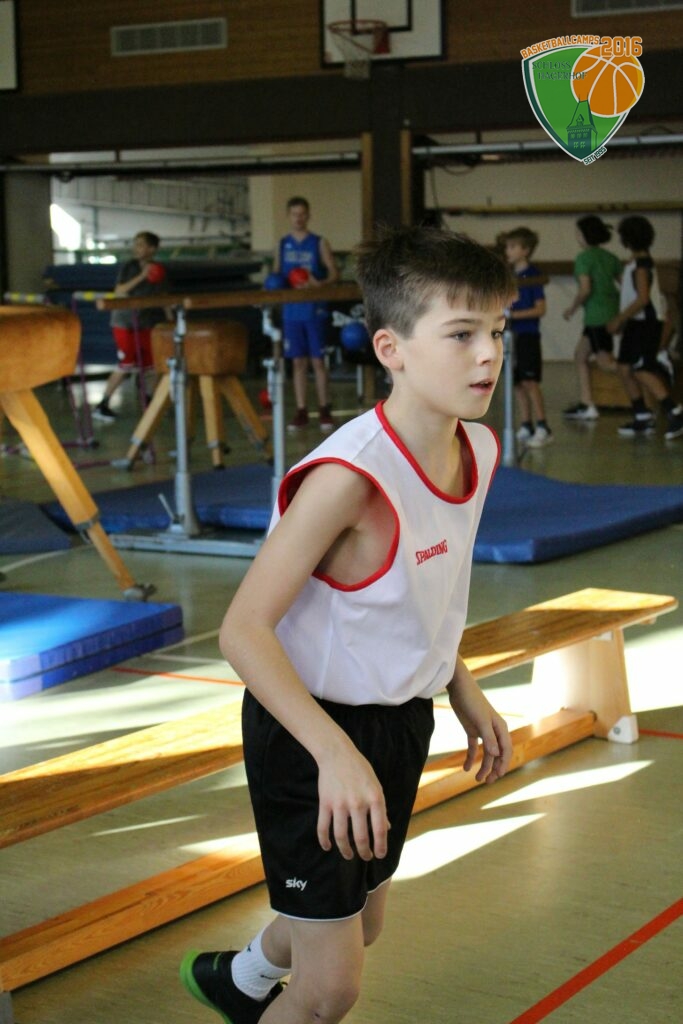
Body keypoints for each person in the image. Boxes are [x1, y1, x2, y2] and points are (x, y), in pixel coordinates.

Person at [179, 226, 515, 1024]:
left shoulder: (477, 448)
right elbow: (242, 630)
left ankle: (240, 979)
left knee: (359, 924)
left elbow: (427, 593)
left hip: (399, 718)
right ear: (390, 348)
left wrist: (460, 685)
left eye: (498, 331)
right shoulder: (348, 477)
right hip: (309, 730)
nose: (488, 355)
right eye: (461, 334)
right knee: (330, 991)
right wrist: (331, 753)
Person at [607, 215, 683, 440]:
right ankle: (642, 415)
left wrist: (619, 319)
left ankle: (675, 412)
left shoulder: (642, 266)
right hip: (636, 323)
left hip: (646, 324)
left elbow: (642, 299)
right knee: (624, 368)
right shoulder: (635, 263)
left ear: (627, 239)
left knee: (641, 370)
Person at [274, 196, 339, 432]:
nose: (298, 218)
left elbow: (334, 273)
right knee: (297, 362)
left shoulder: (319, 242)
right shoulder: (283, 244)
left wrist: (319, 283)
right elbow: (276, 276)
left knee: (318, 361)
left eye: (302, 214)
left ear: (308, 215)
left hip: (314, 309)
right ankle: (301, 410)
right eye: (294, 214)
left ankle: (324, 408)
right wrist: (276, 284)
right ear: (288, 216)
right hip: (292, 311)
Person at [92, 231, 168, 422]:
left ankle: (149, 402)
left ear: (152, 249)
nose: (136, 248)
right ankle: (102, 405)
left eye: (141, 245)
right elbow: (119, 291)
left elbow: (163, 296)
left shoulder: (159, 270)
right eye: (135, 244)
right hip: (124, 322)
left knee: (151, 365)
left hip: (146, 322)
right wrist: (142, 276)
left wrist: (170, 319)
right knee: (126, 363)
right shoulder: (129, 267)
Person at [562, 215, 623, 421]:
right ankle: (587, 404)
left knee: (606, 363)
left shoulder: (584, 258)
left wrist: (572, 308)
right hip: (609, 312)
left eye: (578, 233)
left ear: (584, 235)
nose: (577, 237)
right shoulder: (611, 258)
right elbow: (625, 285)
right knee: (580, 356)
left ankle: (644, 372)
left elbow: (585, 289)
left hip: (597, 317)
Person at [504, 227, 553, 447]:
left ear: (525, 250)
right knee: (516, 382)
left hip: (528, 335)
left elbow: (540, 309)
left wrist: (513, 315)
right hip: (511, 336)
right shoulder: (509, 275)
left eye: (513, 246)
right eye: (507, 246)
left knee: (530, 381)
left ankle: (543, 426)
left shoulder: (533, 276)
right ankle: (526, 424)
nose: (508, 250)